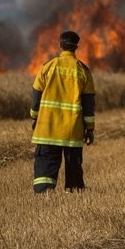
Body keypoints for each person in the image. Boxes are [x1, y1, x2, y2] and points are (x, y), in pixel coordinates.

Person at [29, 29, 96, 193]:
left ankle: (44, 193)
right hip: (72, 130)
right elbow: (88, 103)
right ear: (76, 47)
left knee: (45, 162)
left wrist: (34, 116)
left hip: (47, 127)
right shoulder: (83, 71)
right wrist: (90, 128)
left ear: (61, 45)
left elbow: (36, 95)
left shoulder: (48, 67)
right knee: (73, 165)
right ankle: (73, 191)